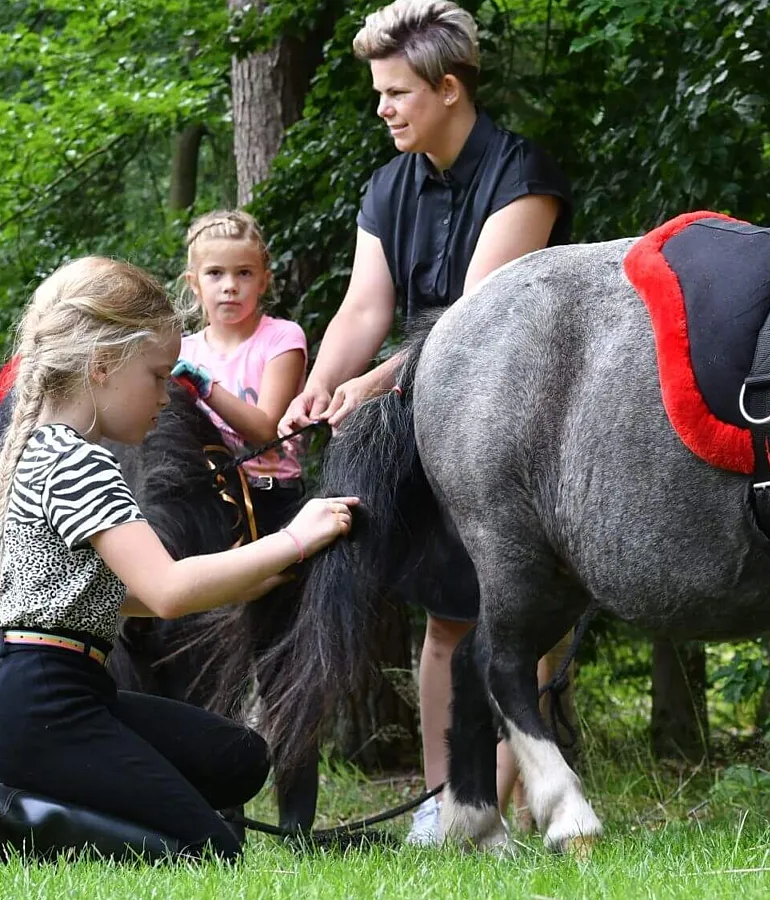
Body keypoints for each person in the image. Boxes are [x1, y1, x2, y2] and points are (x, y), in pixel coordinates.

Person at [0, 256, 356, 866]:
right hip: (37, 703)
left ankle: (65, 802)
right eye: (157, 376)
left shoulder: (40, 448)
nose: (165, 395)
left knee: (239, 760)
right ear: (102, 367)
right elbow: (167, 591)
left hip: (40, 693)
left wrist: (258, 571)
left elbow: (109, 591)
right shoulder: (78, 462)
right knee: (210, 850)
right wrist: (294, 538)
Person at [277, 0, 571, 845]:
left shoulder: (524, 176)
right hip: (424, 410)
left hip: (522, 416)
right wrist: (319, 385)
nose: (383, 108)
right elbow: (363, 308)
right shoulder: (387, 184)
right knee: (448, 617)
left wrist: (367, 384)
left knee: (519, 619)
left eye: (397, 92)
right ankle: (448, 807)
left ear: (448, 89)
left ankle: (505, 806)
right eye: (379, 92)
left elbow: (473, 322)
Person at [170, 210, 309, 536]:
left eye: (244, 273)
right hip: (206, 499)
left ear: (264, 280)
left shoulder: (282, 338)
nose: (230, 286)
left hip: (272, 496)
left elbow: (265, 430)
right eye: (215, 273)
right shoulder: (183, 352)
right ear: (194, 283)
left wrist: (206, 387)